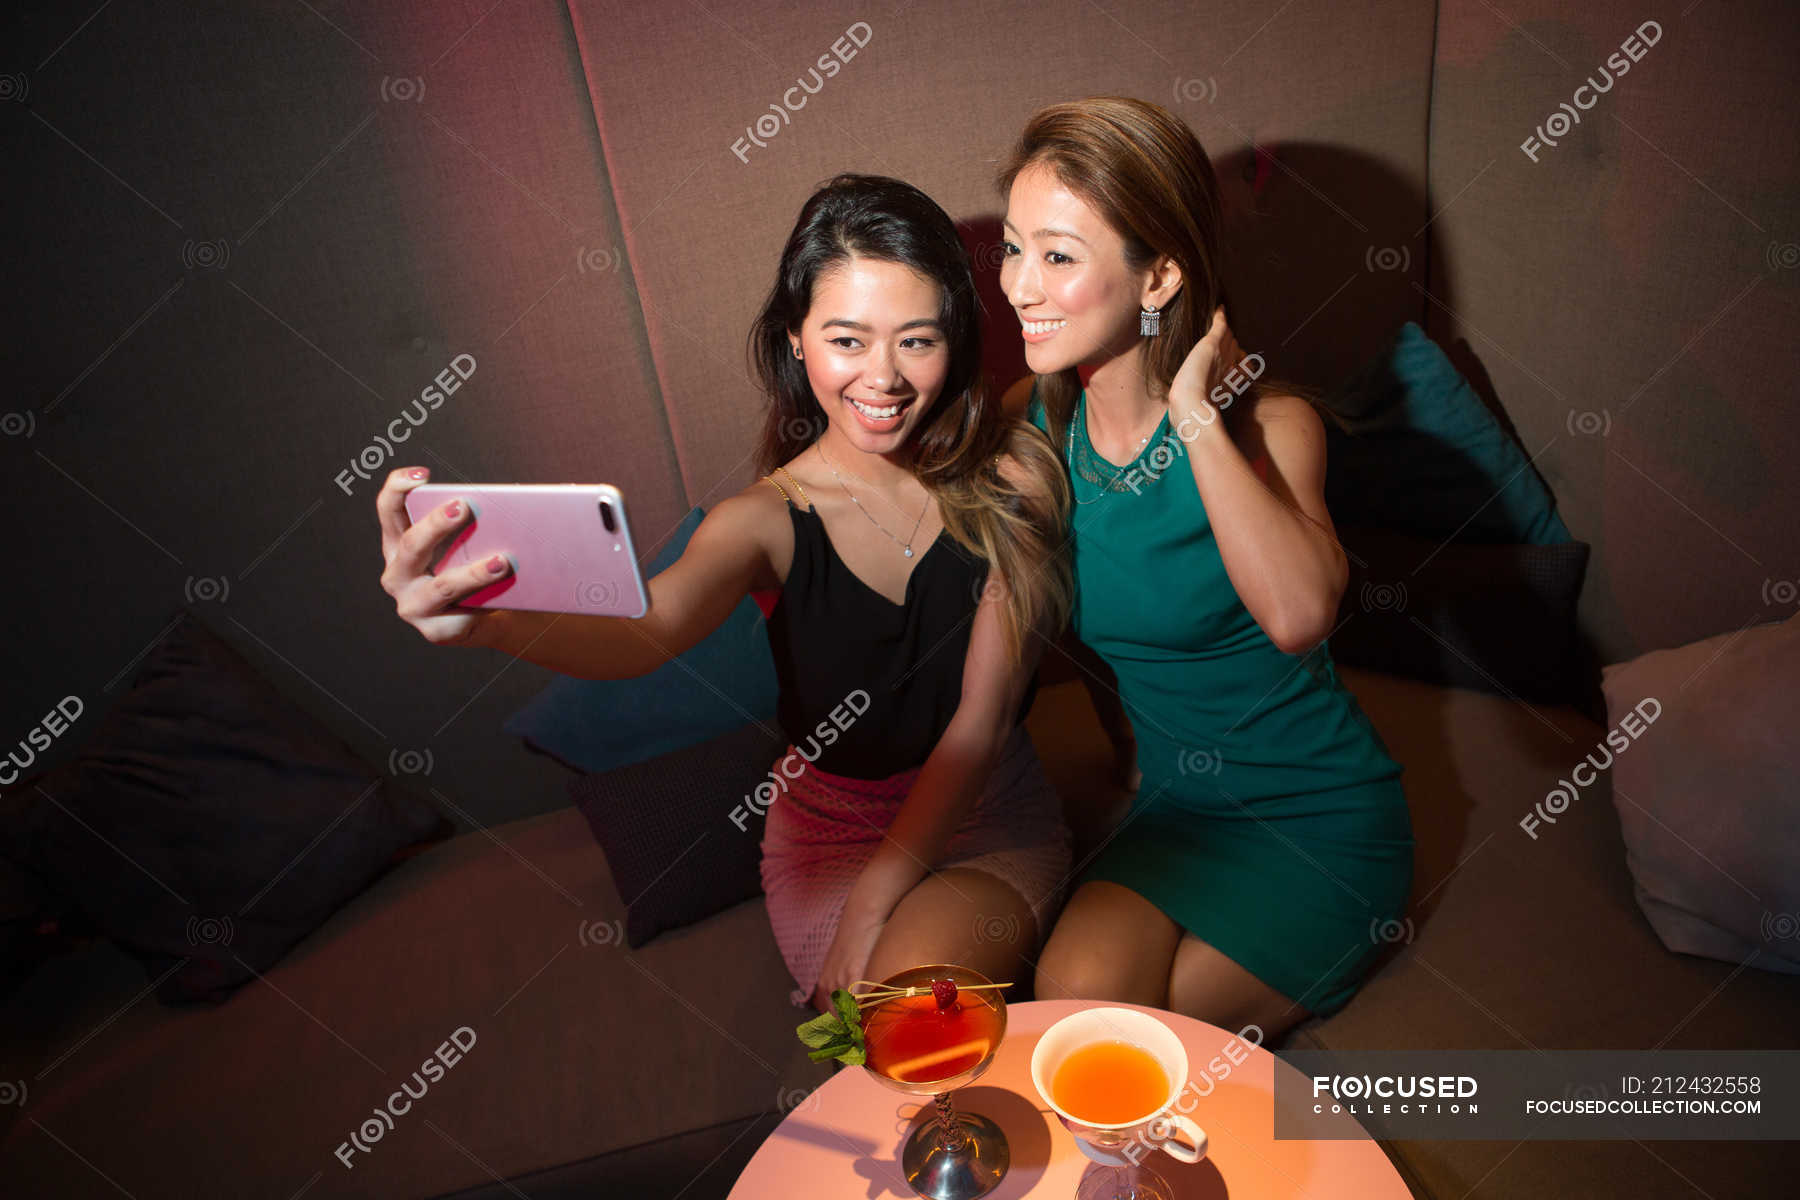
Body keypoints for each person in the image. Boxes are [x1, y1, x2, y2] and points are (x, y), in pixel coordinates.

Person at [376, 174, 1075, 1015]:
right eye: (847, 340)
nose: (883, 378)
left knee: (915, 1029)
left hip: (985, 810)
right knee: (880, 1073)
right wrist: (489, 625)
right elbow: (647, 628)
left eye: (916, 342)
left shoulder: (1014, 476)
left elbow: (983, 721)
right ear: (795, 340)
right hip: (831, 831)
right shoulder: (764, 520)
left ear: (955, 342)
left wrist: (875, 903)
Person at [993, 97, 1415, 1039]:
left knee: (1151, 1040)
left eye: (1058, 256)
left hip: (1317, 817)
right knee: (1070, 1004)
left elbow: (1300, 615)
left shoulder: (1270, 427)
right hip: (1180, 813)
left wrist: (1192, 413)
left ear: (1161, 277)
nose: (1020, 285)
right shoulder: (1040, 419)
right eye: (1014, 249)